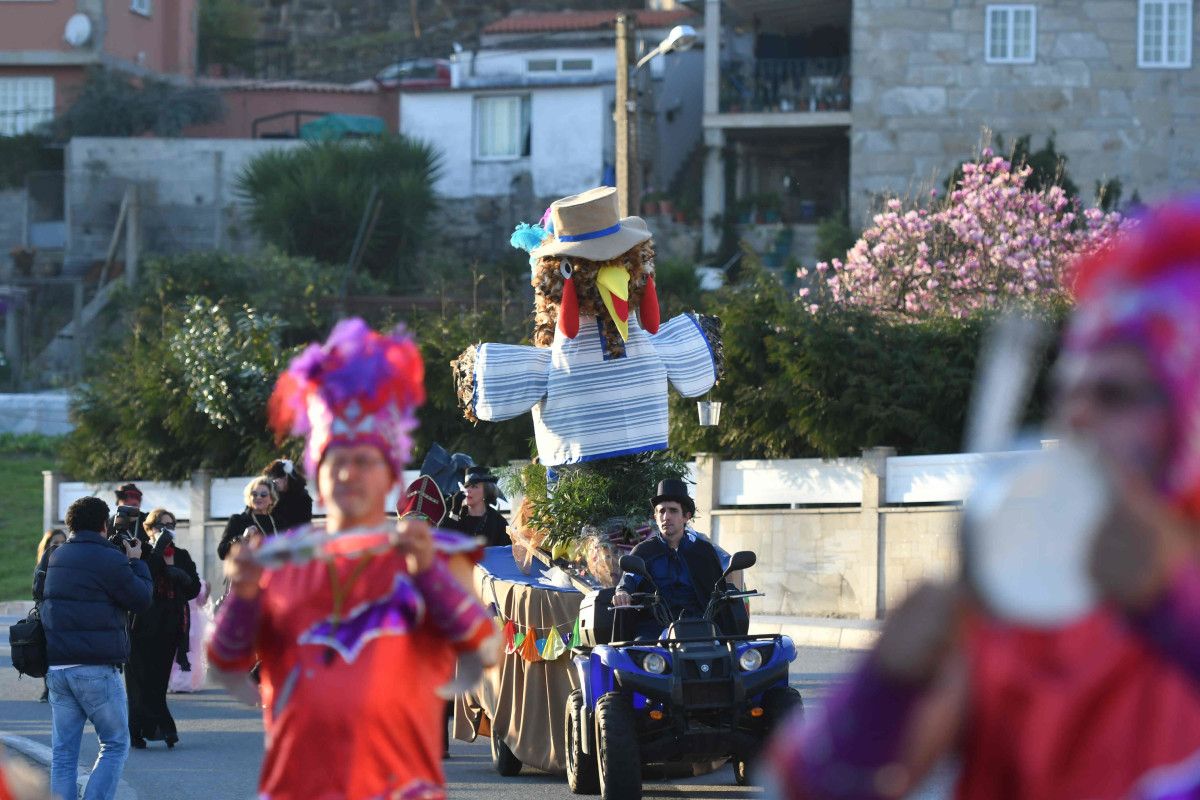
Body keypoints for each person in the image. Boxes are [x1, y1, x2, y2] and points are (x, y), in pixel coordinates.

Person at [765, 199, 1200, 799]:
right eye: (1066, 391)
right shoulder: (1029, 625)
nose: (1076, 416)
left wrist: (1172, 614)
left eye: (1116, 393)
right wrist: (881, 691)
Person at [207, 318, 498, 800]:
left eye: (365, 461)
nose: (349, 474)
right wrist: (243, 595)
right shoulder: (280, 566)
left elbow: (480, 649)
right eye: (336, 462)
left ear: (388, 478)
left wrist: (430, 577)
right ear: (317, 478)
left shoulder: (420, 561)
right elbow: (225, 660)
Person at [39, 496, 152, 800]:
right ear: (104, 525)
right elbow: (141, 599)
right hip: (95, 667)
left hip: (58, 667)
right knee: (115, 743)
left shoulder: (55, 555)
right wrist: (136, 561)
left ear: (70, 525)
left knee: (63, 754)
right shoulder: (110, 559)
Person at [612, 478, 737, 640]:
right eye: (661, 511)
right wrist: (622, 592)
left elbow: (718, 589)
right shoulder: (643, 551)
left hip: (702, 624)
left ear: (686, 517)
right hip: (653, 627)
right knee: (637, 656)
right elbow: (628, 579)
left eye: (673, 511)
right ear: (655, 517)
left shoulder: (704, 551)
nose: (666, 517)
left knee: (729, 652)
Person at [125, 508, 200, 749]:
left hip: (170, 627)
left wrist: (183, 578)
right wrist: (157, 550)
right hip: (140, 626)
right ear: (148, 528)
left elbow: (194, 589)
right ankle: (135, 730)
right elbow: (141, 576)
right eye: (159, 524)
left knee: (157, 682)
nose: (165, 529)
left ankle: (162, 728)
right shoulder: (141, 552)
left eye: (170, 524)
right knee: (138, 683)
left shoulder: (182, 555)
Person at [32, 528, 67, 702]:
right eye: (55, 543)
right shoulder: (42, 565)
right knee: (47, 652)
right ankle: (48, 688)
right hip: (48, 615)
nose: (60, 546)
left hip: (67, 615)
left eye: (63, 542)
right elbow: (37, 591)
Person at [445, 466, 509, 547]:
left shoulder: (499, 522)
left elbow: (506, 552)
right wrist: (455, 510)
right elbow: (441, 542)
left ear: (487, 491)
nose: (468, 490)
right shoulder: (458, 516)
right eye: (466, 486)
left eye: (474, 486)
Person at [217, 478, 279, 560]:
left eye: (263, 495)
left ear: (271, 499)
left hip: (274, 570)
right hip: (249, 570)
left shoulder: (278, 521)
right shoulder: (238, 520)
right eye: (254, 494)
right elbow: (222, 552)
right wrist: (242, 538)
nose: (258, 497)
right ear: (249, 498)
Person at [262, 458, 313, 531]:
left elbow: (302, 525)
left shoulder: (302, 498)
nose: (274, 481)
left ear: (286, 477)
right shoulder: (272, 495)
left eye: (276, 477)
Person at [108, 484, 148, 548]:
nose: (135, 500)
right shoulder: (112, 521)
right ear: (120, 501)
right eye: (131, 496)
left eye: (137, 497)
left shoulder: (146, 519)